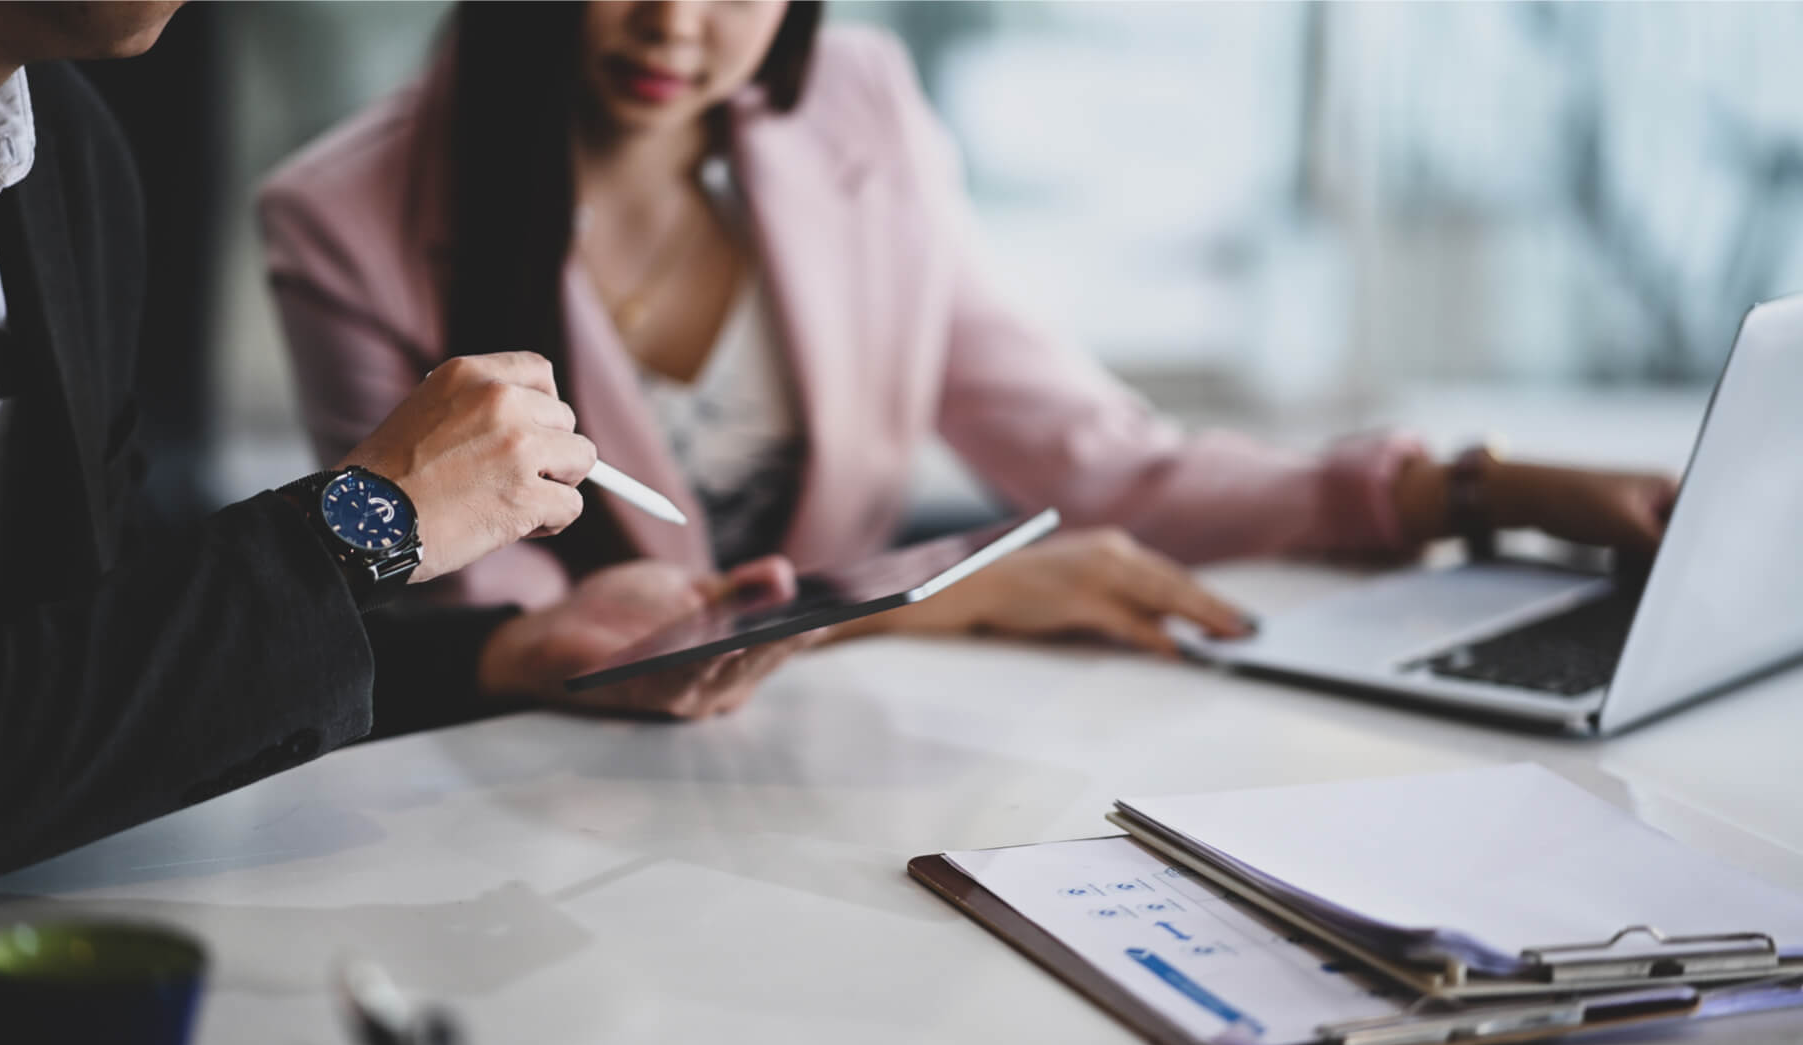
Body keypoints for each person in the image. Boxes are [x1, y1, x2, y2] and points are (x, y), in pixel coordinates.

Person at [263, 3, 1674, 662]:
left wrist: (1464, 491)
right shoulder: (346, 217)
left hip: (839, 773)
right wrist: (940, 595)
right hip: (543, 827)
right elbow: (504, 638)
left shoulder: (856, 107)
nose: (677, 24)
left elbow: (1101, 462)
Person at [0, 1, 803, 912]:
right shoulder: (315, 197)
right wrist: (364, 521)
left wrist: (501, 654)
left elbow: (102, 644)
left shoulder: (67, 149)